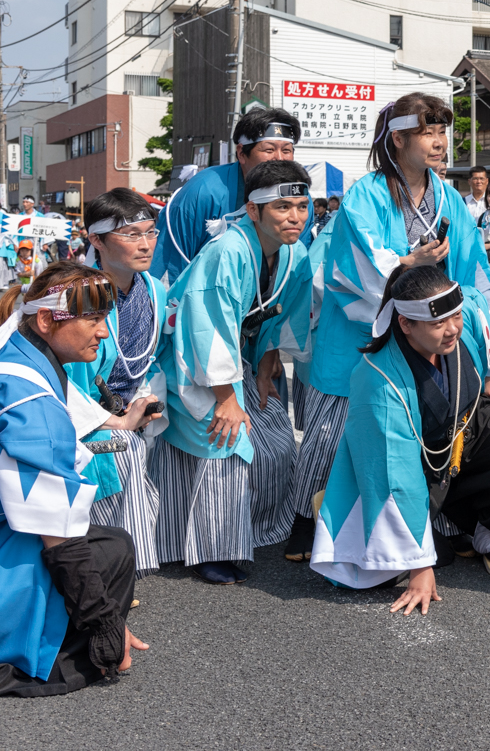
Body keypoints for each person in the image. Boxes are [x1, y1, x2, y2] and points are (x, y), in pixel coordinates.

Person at [288, 93, 490, 562]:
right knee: (335, 428)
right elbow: (355, 265)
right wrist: (409, 263)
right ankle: (308, 521)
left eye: (442, 133)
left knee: (432, 424)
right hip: (361, 332)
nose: (439, 142)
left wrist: (488, 340)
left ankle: (428, 519)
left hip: (428, 333)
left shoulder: (448, 198)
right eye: (428, 133)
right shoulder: (365, 194)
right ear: (399, 138)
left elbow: (472, 272)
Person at [310, 266, 490, 607]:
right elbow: (395, 472)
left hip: (458, 437)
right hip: (409, 465)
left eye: (456, 317)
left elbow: (485, 338)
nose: (452, 330)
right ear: (406, 324)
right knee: (383, 570)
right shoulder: (379, 380)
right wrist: (420, 567)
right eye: (437, 324)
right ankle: (343, 508)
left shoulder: (462, 319)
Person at [151, 161, 314, 585]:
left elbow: (280, 318)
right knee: (225, 436)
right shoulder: (227, 251)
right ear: (253, 210)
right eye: (282, 207)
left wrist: (263, 372)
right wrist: (226, 398)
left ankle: (258, 528)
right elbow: (207, 326)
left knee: (274, 426)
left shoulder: (295, 253)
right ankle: (210, 547)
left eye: (301, 206)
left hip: (235, 359)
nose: (295, 216)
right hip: (189, 360)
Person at [0, 263, 157, 696]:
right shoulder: (31, 400)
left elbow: (69, 403)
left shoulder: (19, 348)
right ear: (48, 319)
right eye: (93, 319)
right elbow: (56, 534)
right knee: (107, 551)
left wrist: (122, 422)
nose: (104, 333)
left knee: (107, 543)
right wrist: (104, 621)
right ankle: (35, 656)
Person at [63, 189, 168, 578]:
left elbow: (159, 357)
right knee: (121, 451)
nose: (145, 245)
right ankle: (103, 568)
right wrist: (114, 419)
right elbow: (67, 384)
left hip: (128, 406)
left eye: (151, 232)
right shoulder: (76, 293)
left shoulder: (155, 290)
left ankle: (125, 566)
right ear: (96, 240)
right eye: (130, 235)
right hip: (79, 420)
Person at [150, 107, 315, 284]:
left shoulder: (299, 198)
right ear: (241, 153)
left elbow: (298, 263)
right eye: (269, 150)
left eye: (287, 150)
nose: (279, 158)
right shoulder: (203, 191)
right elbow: (169, 266)